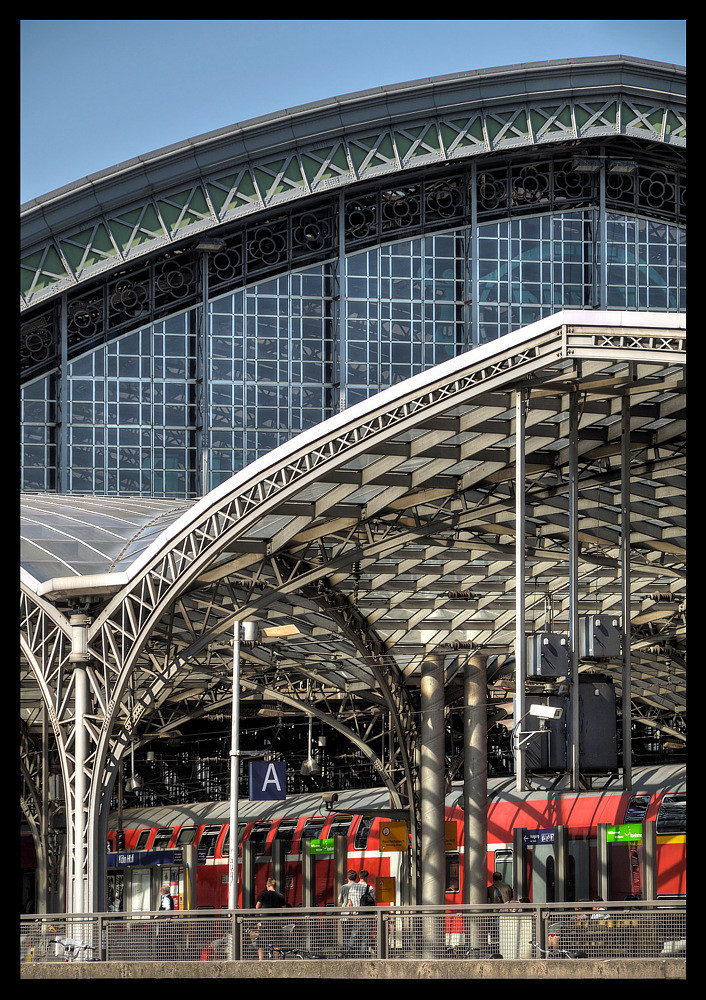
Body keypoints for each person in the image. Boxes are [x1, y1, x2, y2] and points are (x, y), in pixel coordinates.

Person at [255, 877, 286, 959]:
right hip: (276, 922)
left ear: (267, 885)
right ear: (275, 886)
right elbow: (284, 909)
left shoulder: (263, 894)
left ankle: (261, 960)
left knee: (261, 943)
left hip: (265, 922)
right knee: (276, 943)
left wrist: (260, 915)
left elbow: (257, 906)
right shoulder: (280, 896)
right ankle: (276, 961)